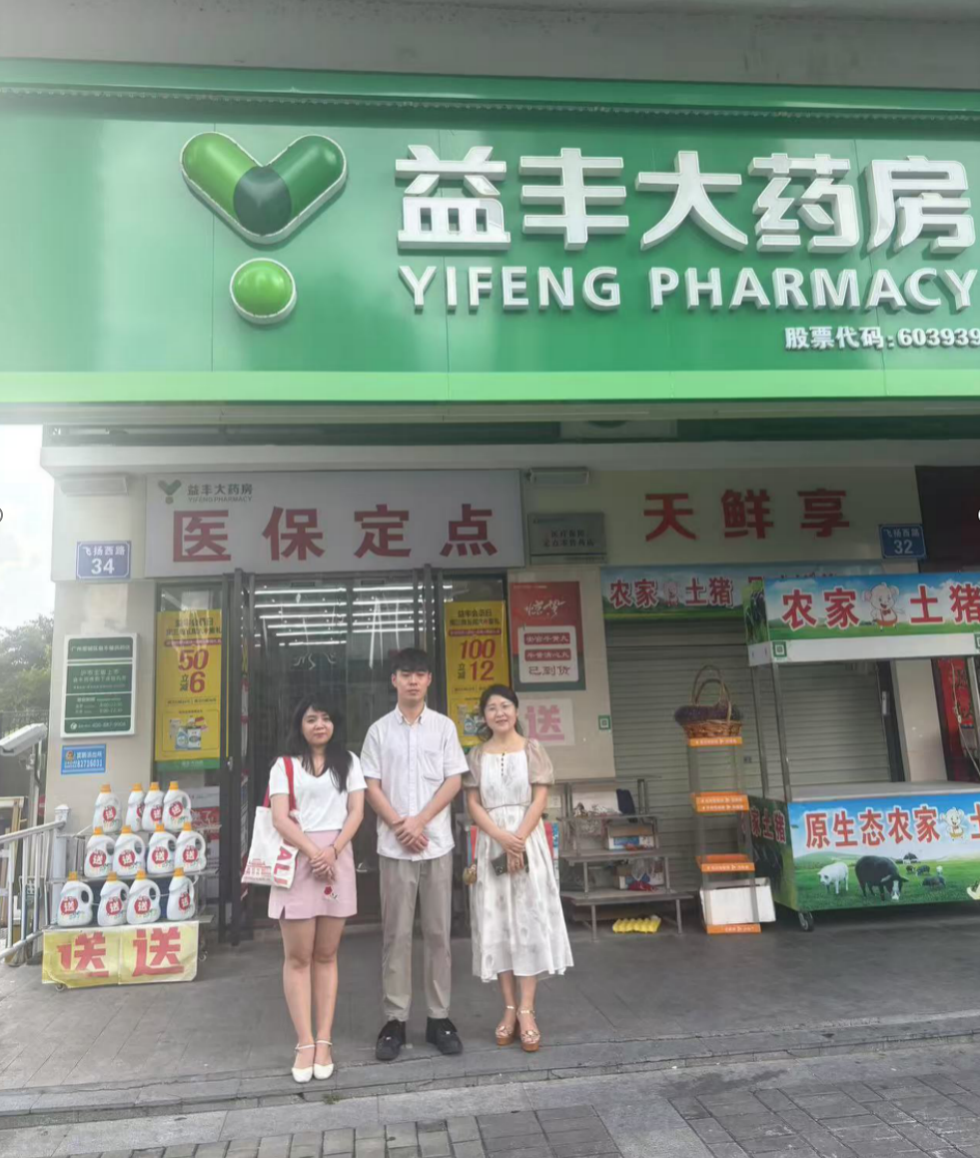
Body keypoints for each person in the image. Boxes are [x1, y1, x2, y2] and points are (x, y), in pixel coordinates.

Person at [362, 648, 468, 1061]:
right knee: (396, 935)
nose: (412, 680)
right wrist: (399, 825)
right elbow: (371, 785)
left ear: (428, 680)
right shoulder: (378, 731)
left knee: (439, 934)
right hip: (395, 849)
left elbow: (453, 780)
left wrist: (419, 822)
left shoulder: (443, 727)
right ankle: (395, 1020)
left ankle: (439, 1018)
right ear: (394, 680)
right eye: (405, 674)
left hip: (436, 844)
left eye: (419, 674)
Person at [464, 684, 573, 1053]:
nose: (499, 713)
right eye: (492, 708)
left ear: (516, 710)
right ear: (484, 716)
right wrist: (500, 837)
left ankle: (527, 1010)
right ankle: (509, 1008)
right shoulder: (476, 755)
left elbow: (540, 797)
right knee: (498, 924)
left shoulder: (532, 749)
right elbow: (473, 803)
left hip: (528, 841)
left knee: (528, 921)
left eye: (505, 706)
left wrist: (519, 840)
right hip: (491, 842)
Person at [268, 695, 365, 1084]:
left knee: (326, 955)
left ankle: (324, 1041)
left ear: (335, 724)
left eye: (326, 718)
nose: (319, 725)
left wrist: (333, 851)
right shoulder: (284, 766)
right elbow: (279, 818)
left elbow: (357, 812)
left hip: (336, 859)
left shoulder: (350, 763)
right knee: (297, 958)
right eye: (311, 719)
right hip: (298, 859)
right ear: (300, 724)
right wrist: (314, 853)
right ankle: (304, 1042)